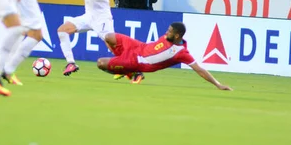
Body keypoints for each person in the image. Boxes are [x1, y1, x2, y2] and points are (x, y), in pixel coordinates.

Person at [96, 22, 232, 89]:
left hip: (136, 61)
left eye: (169, 32)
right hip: (137, 46)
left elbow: (200, 70)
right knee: (108, 37)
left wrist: (218, 84)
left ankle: (129, 70)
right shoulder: (169, 38)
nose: (166, 33)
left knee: (100, 63)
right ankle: (130, 72)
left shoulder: (181, 53)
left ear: (177, 35)